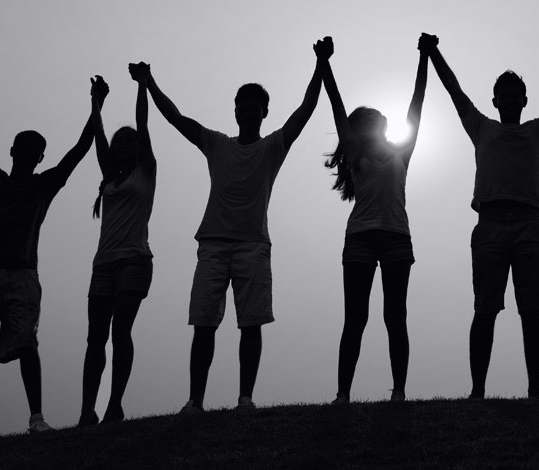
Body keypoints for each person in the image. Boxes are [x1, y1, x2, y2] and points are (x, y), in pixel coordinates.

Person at [140, 38, 326, 413]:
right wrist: (149, 82)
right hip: (212, 244)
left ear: (264, 113)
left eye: (254, 108)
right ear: (236, 110)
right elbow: (176, 119)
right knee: (204, 325)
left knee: (251, 324)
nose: (247, 113)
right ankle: (195, 401)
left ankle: (245, 399)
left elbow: (306, 109)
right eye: (243, 107)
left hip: (253, 246)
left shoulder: (272, 147)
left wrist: (321, 63)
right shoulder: (216, 143)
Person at [429, 35, 539, 399]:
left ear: (524, 100)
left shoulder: (538, 130)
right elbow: (454, 91)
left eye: (515, 94)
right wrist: (434, 53)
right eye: (503, 94)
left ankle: (535, 391)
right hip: (490, 224)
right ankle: (477, 390)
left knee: (532, 310)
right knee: (485, 310)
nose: (509, 99)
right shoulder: (481, 127)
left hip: (530, 226)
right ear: (495, 100)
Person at [0, 76, 104, 443]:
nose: (29, 153)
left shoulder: (41, 186)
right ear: (14, 150)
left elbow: (80, 150)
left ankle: (36, 418)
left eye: (35, 149)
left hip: (21, 274)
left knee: (27, 346)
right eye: (25, 147)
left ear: (39, 158)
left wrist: (97, 104)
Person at [322, 34, 431, 404]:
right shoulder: (355, 152)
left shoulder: (402, 152)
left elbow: (417, 105)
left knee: (394, 318)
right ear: (366, 128)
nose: (385, 120)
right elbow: (336, 107)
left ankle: (399, 392)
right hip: (361, 239)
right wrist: (325, 63)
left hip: (397, 237)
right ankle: (342, 394)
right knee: (355, 320)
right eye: (378, 118)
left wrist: (424, 58)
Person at [78, 63, 157, 426]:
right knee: (95, 338)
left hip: (134, 261)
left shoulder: (146, 172)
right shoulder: (109, 178)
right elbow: (98, 135)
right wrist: (97, 101)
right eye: (120, 142)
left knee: (119, 330)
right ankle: (86, 411)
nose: (124, 144)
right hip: (103, 264)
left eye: (131, 142)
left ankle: (114, 406)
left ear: (139, 149)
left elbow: (142, 124)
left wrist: (142, 85)